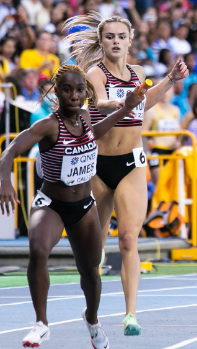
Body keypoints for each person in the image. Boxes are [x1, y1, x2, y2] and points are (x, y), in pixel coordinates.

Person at [63, 12, 188, 336]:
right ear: (102, 42)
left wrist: (171, 79)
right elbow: (102, 104)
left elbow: (144, 105)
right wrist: (126, 100)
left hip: (132, 163)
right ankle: (92, 310)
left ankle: (131, 314)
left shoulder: (140, 72)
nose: (116, 41)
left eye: (121, 36)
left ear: (130, 40)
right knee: (95, 246)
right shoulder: (95, 73)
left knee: (130, 238)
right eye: (110, 37)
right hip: (98, 165)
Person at [0, 65, 142, 348]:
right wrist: (5, 179)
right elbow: (10, 150)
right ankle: (41, 324)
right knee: (38, 250)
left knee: (90, 270)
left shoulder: (88, 120)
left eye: (79, 90)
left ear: (84, 93)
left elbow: (101, 129)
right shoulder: (48, 125)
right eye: (67, 90)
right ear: (58, 92)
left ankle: (91, 319)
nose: (74, 95)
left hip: (83, 206)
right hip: (51, 204)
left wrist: (127, 108)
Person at [143, 84, 182, 184]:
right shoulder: (152, 110)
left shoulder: (176, 111)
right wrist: (148, 145)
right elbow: (143, 132)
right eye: (164, 90)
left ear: (173, 92)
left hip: (172, 151)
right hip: (157, 151)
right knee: (160, 184)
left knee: (173, 185)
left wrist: (178, 142)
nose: (165, 93)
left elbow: (179, 132)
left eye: (168, 90)